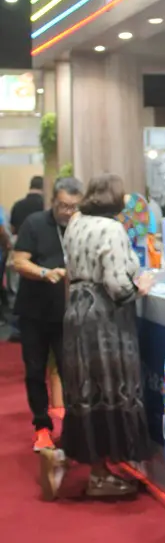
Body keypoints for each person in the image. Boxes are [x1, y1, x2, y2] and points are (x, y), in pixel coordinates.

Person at [39, 173, 155, 501]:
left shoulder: (76, 224)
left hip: (78, 313)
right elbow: (117, 286)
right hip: (105, 318)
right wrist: (140, 287)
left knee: (87, 391)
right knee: (112, 388)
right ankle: (100, 476)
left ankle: (82, 462)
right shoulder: (111, 228)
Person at [13, 177, 82, 451]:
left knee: (71, 372)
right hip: (35, 312)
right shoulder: (34, 223)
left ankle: (74, 428)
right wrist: (45, 273)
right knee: (35, 370)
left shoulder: (81, 225)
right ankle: (42, 425)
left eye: (74, 206)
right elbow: (19, 261)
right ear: (53, 201)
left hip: (69, 315)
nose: (68, 212)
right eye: (63, 205)